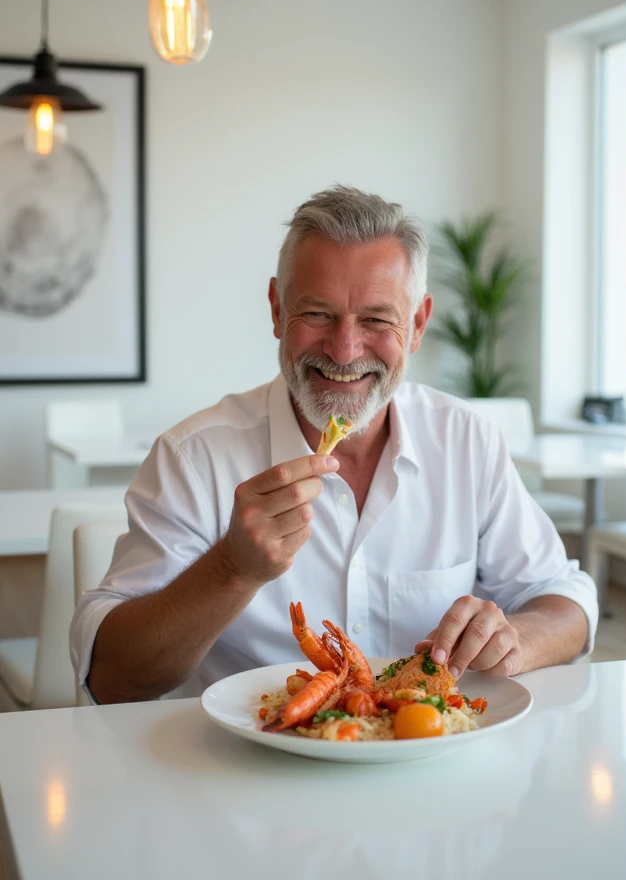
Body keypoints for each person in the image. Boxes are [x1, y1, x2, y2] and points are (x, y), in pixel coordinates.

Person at [71, 185, 597, 704]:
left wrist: (514, 641)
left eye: (375, 319)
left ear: (416, 325)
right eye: (317, 314)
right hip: (249, 773)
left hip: (431, 763)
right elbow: (112, 678)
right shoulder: (194, 456)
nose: (344, 351)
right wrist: (231, 570)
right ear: (277, 310)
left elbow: (567, 601)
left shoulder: (466, 441)